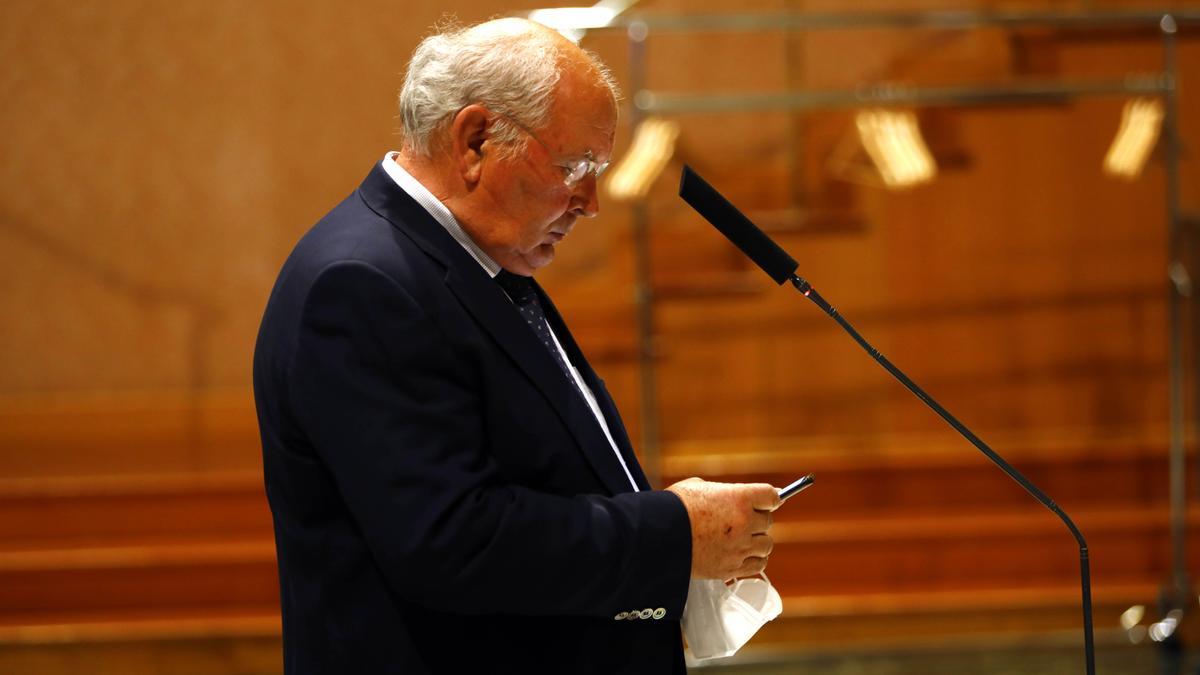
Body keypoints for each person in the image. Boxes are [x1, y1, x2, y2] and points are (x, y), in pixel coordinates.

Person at [253, 18, 779, 674]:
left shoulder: (477, 260)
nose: (590, 202)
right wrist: (673, 532)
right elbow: (451, 541)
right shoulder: (363, 283)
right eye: (574, 166)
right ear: (474, 140)